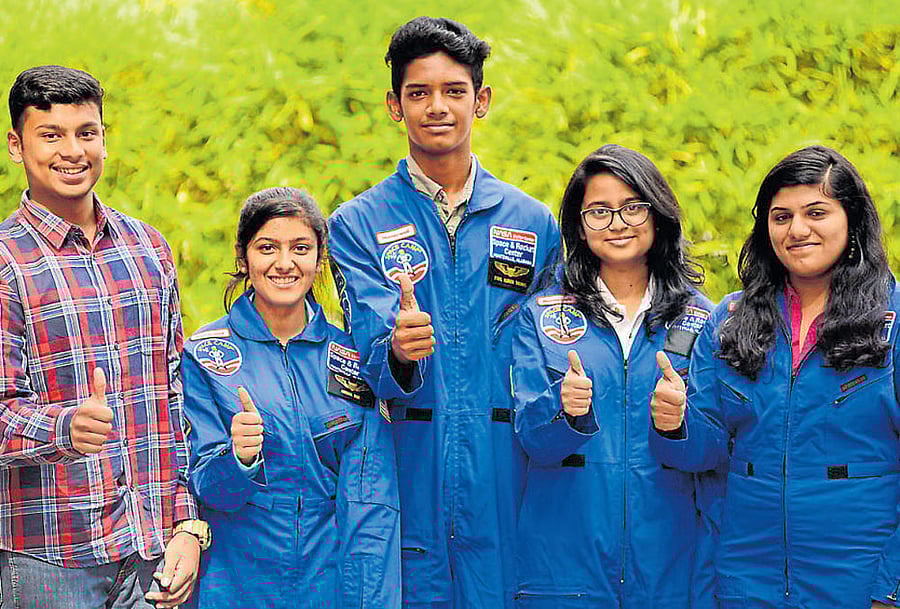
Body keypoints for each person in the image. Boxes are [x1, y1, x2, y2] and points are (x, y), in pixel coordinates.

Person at [328, 16, 560, 608]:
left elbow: (551, 354)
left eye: (454, 91)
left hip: (507, 464)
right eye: (418, 93)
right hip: (408, 463)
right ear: (393, 106)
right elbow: (369, 358)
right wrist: (399, 351)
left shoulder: (533, 222)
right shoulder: (357, 224)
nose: (437, 107)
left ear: (481, 101)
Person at [650, 145, 900, 608]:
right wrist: (673, 420)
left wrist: (891, 587)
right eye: (780, 216)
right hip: (747, 578)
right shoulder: (731, 319)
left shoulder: (893, 319)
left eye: (816, 212)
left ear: (853, 220)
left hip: (860, 581)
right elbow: (702, 453)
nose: (797, 229)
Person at [0, 65, 203, 609]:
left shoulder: (149, 249)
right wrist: (64, 426)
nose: (72, 151)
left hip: (152, 556)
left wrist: (187, 522)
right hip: (48, 561)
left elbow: (175, 397)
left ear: (105, 140)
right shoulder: (5, 261)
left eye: (87, 133)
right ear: (17, 146)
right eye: (52, 135)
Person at [511, 144, 719, 607]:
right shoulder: (541, 315)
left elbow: (715, 448)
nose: (618, 223)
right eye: (599, 211)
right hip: (563, 566)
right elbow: (530, 437)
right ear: (579, 228)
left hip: (670, 565)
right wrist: (564, 411)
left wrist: (677, 423)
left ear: (658, 215)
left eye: (632, 207)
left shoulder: (702, 318)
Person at [182, 187, 404, 608]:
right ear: (243, 258)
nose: (284, 263)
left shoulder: (353, 357)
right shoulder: (205, 356)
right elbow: (207, 489)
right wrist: (240, 459)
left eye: (300, 248)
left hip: (328, 583)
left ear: (319, 260)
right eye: (267, 247)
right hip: (236, 585)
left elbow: (372, 498)